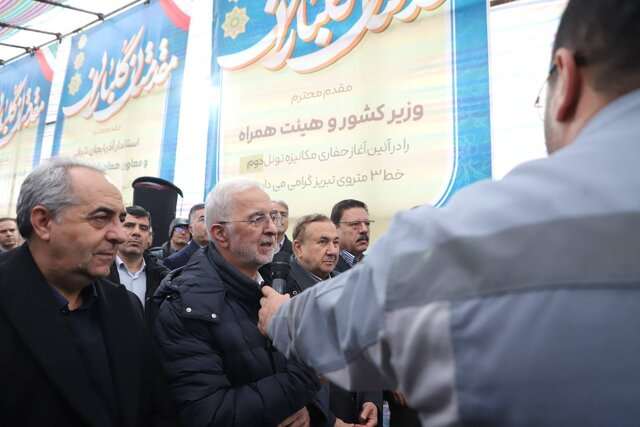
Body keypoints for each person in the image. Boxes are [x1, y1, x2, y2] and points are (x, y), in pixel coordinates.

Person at [259, 1, 640, 425]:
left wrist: (281, 318)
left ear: (565, 80)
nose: (340, 244)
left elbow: (347, 325)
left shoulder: (478, 236)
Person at [0, 158, 176, 427]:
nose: (119, 235)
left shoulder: (124, 305)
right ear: (43, 222)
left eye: (120, 220)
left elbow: (156, 406)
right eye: (101, 218)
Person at [153, 179, 328, 426]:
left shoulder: (279, 284)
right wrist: (309, 372)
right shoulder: (186, 305)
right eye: (257, 219)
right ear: (220, 234)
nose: (273, 229)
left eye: (273, 217)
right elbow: (210, 414)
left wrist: (310, 411)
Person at [286, 214, 378, 427]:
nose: (333, 251)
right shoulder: (280, 294)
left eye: (336, 242)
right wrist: (328, 420)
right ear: (298, 248)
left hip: (359, 414)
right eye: (323, 242)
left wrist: (371, 399)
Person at [107, 205, 169, 325]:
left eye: (143, 228)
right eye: (129, 225)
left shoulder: (163, 277)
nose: (137, 232)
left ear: (149, 238)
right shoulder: (99, 273)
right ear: (116, 231)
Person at [163, 203, 208, 270]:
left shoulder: (222, 256)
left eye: (211, 219)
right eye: (203, 219)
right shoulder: (174, 261)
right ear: (191, 229)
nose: (183, 233)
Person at [330, 200, 371, 272]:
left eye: (367, 223)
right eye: (355, 224)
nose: (364, 230)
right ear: (334, 228)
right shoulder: (326, 268)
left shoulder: (374, 264)